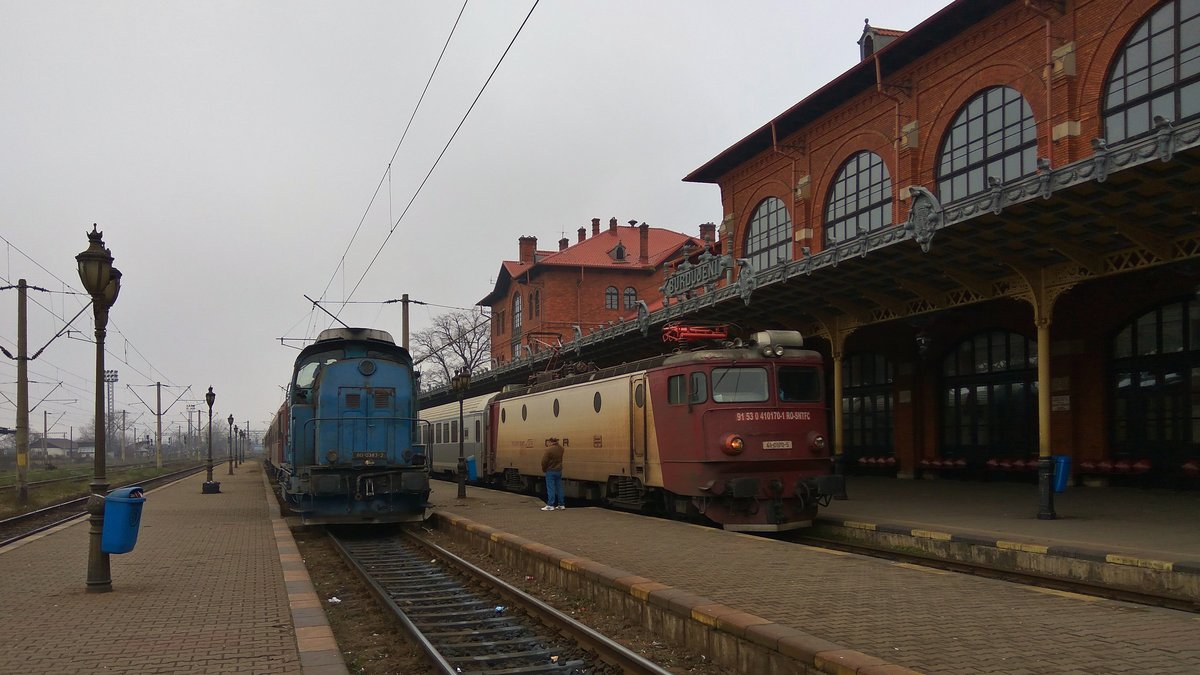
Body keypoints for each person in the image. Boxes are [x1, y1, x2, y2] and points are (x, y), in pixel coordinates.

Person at [540, 436, 565, 511]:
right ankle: (561, 504)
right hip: (559, 470)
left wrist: (544, 469)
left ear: (550, 442)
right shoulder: (561, 449)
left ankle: (550, 505)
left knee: (551, 488)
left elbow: (544, 461)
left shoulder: (548, 450)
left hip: (550, 471)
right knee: (559, 488)